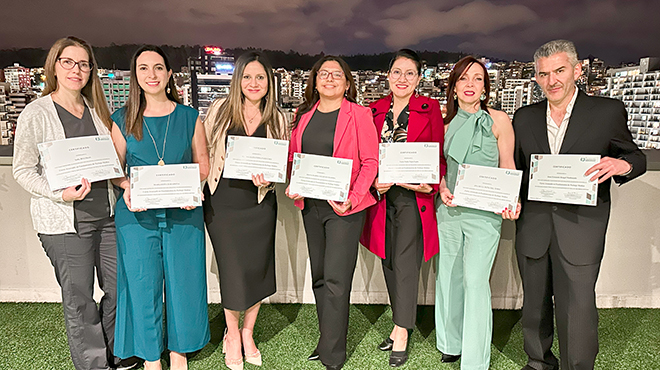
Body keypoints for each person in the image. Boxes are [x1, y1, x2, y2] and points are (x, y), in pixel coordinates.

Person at [513, 40, 646, 370]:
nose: (552, 80)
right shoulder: (524, 117)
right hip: (534, 225)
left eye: (559, 71)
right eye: (543, 74)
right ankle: (539, 362)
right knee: (534, 307)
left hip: (581, 228)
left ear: (576, 70)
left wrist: (621, 166)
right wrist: (508, 197)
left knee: (579, 309)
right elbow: (516, 171)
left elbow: (635, 157)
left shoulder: (607, 111)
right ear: (537, 78)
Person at [11, 36, 136, 370]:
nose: (76, 70)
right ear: (54, 65)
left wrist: (125, 182)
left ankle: (116, 350)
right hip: (64, 223)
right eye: (68, 62)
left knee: (118, 287)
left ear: (91, 70)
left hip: (106, 217)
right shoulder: (36, 113)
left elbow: (109, 165)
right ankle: (94, 364)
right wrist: (60, 193)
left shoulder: (97, 112)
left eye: (83, 63)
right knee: (79, 298)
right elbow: (22, 170)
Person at [110, 45, 210, 370]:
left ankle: (179, 350)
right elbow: (115, 169)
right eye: (143, 68)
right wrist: (126, 187)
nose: (151, 74)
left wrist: (192, 186)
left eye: (157, 68)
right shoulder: (123, 119)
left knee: (184, 281)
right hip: (137, 214)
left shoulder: (189, 116)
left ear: (169, 74)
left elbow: (203, 164)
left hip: (183, 210)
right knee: (142, 283)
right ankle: (152, 355)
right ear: (135, 76)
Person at [286, 55, 378, 370]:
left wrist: (353, 197)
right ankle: (327, 340)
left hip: (344, 209)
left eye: (336, 74)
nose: (329, 78)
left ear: (347, 83)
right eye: (323, 73)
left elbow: (370, 162)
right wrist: (292, 183)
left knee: (338, 279)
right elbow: (293, 160)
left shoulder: (359, 115)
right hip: (311, 205)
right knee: (320, 277)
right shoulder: (303, 115)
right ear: (314, 81)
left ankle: (333, 355)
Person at [202, 52, 288, 370]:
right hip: (222, 203)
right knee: (232, 270)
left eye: (260, 78)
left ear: (269, 83)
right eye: (248, 77)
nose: (254, 83)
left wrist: (273, 175)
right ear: (238, 80)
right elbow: (204, 151)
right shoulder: (219, 110)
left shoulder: (278, 117)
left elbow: (282, 162)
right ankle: (232, 334)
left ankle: (248, 332)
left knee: (256, 268)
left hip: (260, 202)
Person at [359, 49, 444, 367]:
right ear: (388, 76)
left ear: (419, 78)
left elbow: (438, 154)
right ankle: (399, 324)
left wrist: (431, 185)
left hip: (413, 199)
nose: (403, 79)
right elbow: (365, 155)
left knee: (407, 266)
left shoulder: (430, 108)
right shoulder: (374, 110)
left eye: (410, 73)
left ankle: (402, 331)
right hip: (382, 199)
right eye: (397, 72)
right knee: (390, 262)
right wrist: (372, 182)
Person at [434, 56, 519, 370]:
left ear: (485, 88)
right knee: (449, 278)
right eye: (463, 79)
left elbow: (507, 164)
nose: (470, 85)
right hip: (449, 209)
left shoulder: (499, 120)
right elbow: (438, 168)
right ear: (454, 87)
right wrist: (442, 187)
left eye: (477, 79)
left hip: (485, 214)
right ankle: (450, 343)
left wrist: (512, 199)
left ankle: (475, 360)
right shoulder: (441, 123)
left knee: (475, 281)